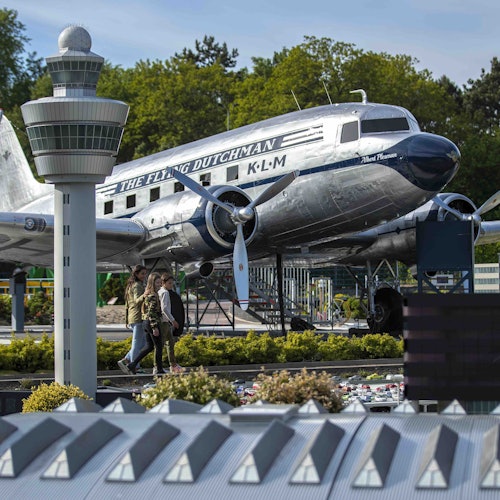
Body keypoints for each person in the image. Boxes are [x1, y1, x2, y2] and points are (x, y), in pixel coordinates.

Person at [126, 272, 165, 375]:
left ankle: (133, 363)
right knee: (159, 346)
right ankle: (159, 369)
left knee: (149, 346)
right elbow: (151, 312)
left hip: (145, 322)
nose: (159, 285)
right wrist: (154, 327)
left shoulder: (150, 294)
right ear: (152, 283)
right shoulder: (152, 295)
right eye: (157, 283)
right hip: (151, 322)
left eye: (160, 282)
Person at [117, 265, 147, 375]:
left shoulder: (131, 285)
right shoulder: (137, 286)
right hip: (137, 316)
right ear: (136, 274)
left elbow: (127, 304)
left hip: (133, 316)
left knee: (142, 343)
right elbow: (137, 301)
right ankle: (135, 366)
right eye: (142, 273)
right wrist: (145, 295)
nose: (144, 276)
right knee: (137, 343)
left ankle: (126, 360)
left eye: (145, 273)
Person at [157, 274, 184, 374]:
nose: (171, 285)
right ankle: (163, 366)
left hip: (163, 321)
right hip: (164, 321)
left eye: (172, 283)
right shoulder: (165, 293)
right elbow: (164, 309)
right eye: (169, 283)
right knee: (164, 344)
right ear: (164, 283)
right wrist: (173, 320)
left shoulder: (159, 292)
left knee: (169, 343)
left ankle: (172, 364)